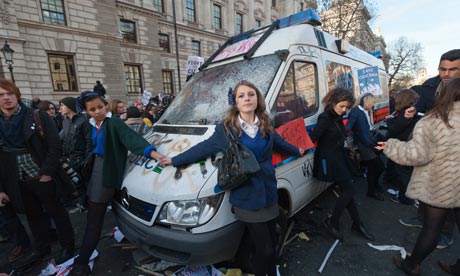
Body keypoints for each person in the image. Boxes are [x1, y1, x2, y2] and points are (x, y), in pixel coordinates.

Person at [160, 80, 304, 276]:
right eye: (241, 96)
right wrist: (174, 160)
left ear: (257, 99)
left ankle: (272, 270)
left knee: (272, 240)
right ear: (235, 102)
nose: (247, 99)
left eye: (251, 94)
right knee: (265, 249)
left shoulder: (266, 124)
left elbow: (279, 143)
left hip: (270, 193)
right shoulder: (226, 129)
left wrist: (298, 149)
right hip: (247, 197)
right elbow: (203, 148)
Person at [69, 92, 164, 276]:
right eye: (92, 109)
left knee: (94, 222)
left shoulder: (113, 122)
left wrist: (154, 154)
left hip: (104, 175)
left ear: (106, 106)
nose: (97, 111)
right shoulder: (96, 124)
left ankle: (81, 264)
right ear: (87, 112)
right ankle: (82, 260)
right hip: (98, 172)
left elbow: (132, 140)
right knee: (96, 219)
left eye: (100, 107)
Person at [377, 77, 460, 275]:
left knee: (432, 228)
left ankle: (411, 265)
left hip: (442, 183)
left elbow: (417, 155)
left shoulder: (436, 120)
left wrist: (391, 146)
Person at [0, 79, 75, 263]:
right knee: (33, 216)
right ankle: (42, 248)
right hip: (15, 179)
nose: (6, 98)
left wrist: (47, 173)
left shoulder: (37, 115)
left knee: (57, 211)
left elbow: (55, 146)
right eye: (1, 95)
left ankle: (68, 247)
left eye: (9, 94)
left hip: (41, 173)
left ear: (17, 95)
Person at [399, 49, 460, 249]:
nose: (446, 74)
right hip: (427, 143)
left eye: (452, 69)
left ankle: (444, 232)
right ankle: (423, 218)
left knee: (446, 192)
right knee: (424, 182)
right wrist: (414, 109)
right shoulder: (430, 85)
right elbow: (422, 104)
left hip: (451, 151)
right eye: (442, 69)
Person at [309, 87, 374, 242]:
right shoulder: (325, 118)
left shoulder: (337, 117)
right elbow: (313, 137)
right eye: (341, 106)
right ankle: (333, 222)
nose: (344, 110)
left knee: (348, 191)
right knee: (349, 190)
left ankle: (356, 224)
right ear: (333, 103)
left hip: (339, 157)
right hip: (330, 159)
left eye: (347, 107)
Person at [346, 93, 385, 201]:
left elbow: (368, 127)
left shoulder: (366, 111)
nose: (373, 104)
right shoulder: (355, 111)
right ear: (366, 100)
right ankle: (372, 190)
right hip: (364, 144)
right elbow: (349, 126)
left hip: (370, 141)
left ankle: (373, 187)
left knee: (375, 168)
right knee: (378, 167)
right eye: (372, 102)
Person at [386, 89, 421, 205]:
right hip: (411, 146)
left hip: (404, 147)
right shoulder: (415, 111)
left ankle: (405, 198)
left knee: (403, 173)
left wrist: (389, 121)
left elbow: (394, 130)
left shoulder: (406, 113)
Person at [59, 97, 93, 211]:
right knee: (78, 183)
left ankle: (93, 206)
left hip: (82, 159)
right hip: (70, 159)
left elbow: (89, 141)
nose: (60, 109)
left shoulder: (83, 121)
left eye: (62, 105)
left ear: (69, 106)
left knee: (88, 183)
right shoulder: (65, 121)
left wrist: (87, 159)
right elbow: (63, 138)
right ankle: (84, 205)